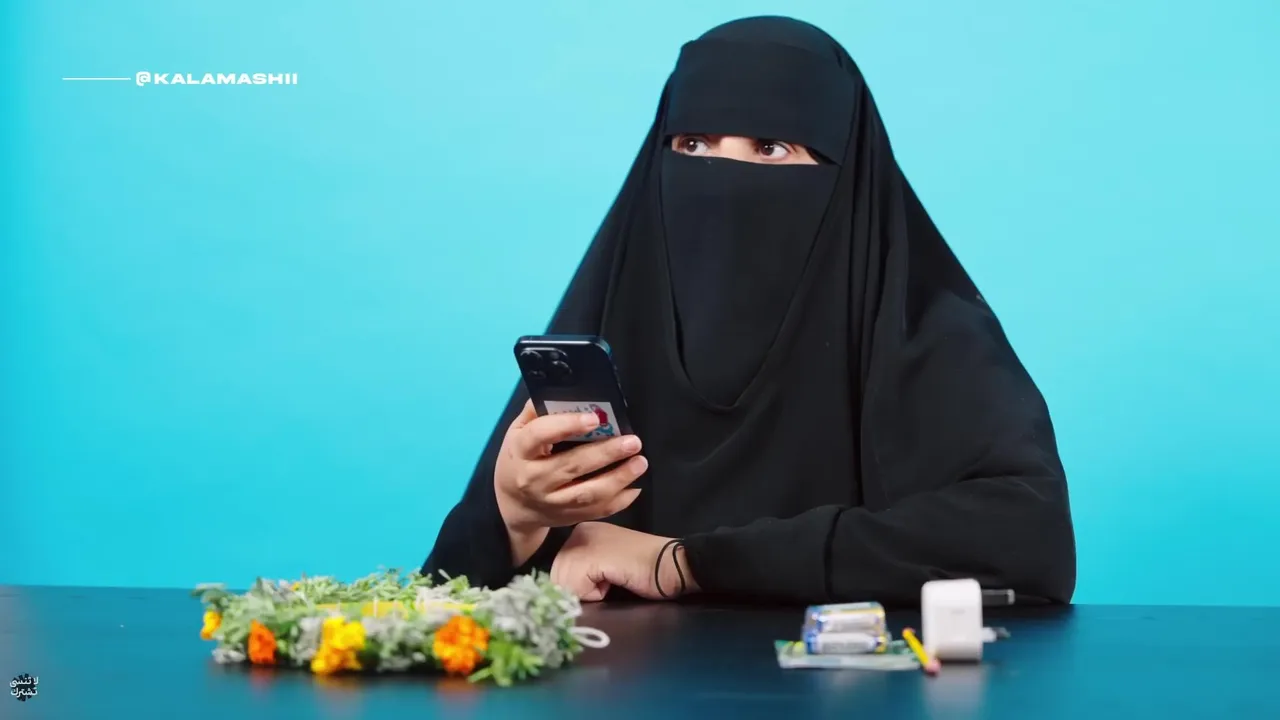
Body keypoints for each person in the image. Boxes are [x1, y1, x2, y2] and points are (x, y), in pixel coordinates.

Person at [421, 16, 1076, 607]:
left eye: (771, 149)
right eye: (693, 146)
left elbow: (1029, 539)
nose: (723, 182)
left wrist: (683, 563)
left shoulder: (922, 329)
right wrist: (511, 520)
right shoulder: (615, 312)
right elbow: (441, 609)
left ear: (845, 177)